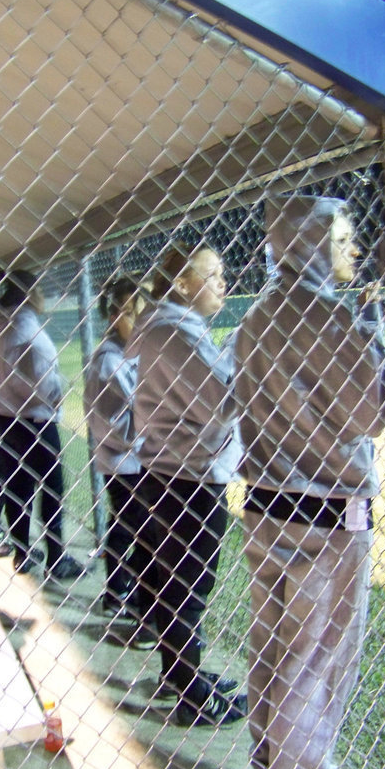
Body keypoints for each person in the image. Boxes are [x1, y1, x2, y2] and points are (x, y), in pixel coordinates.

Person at [233, 195, 385, 769]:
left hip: (266, 504)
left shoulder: (257, 314)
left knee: (272, 646)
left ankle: (268, 763)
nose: (352, 248)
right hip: (326, 513)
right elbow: (370, 412)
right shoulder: (325, 314)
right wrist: (382, 348)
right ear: (312, 242)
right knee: (316, 658)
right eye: (341, 236)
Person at [127, 241, 247, 727]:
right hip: (188, 477)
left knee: (174, 584)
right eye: (212, 275)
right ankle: (190, 695)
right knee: (188, 588)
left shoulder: (167, 329)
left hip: (169, 473)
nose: (223, 284)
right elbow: (222, 404)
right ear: (182, 284)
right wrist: (245, 347)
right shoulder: (177, 333)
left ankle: (182, 676)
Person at [0, 269, 84, 579]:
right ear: (28, 293)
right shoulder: (26, 328)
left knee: (17, 487)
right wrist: (53, 399)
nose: (43, 296)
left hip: (1, 418)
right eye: (38, 290)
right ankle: (55, 555)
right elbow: (42, 377)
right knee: (51, 488)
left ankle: (23, 553)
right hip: (34, 419)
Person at [83, 276, 159, 645]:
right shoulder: (110, 362)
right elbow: (127, 424)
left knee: (129, 528)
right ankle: (143, 614)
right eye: (133, 314)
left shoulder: (126, 354)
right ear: (115, 316)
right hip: (127, 464)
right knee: (143, 535)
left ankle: (117, 591)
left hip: (130, 462)